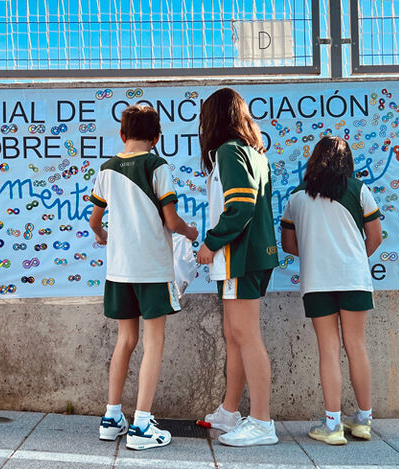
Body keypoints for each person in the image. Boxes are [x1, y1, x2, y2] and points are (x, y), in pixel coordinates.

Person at [89, 104, 198, 450]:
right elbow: (171, 220)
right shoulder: (156, 165)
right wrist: (191, 232)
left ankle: (111, 417)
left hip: (119, 269)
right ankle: (141, 425)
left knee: (125, 340)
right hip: (152, 268)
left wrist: (104, 235)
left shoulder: (106, 169)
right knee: (154, 342)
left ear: (122, 134)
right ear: (157, 137)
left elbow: (95, 220)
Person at [280, 136, 382, 445]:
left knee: (328, 349)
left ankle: (333, 425)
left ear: (314, 161)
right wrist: (350, 257)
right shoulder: (360, 190)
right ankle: (363, 421)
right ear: (346, 161)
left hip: (317, 282)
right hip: (354, 278)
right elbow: (375, 238)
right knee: (356, 345)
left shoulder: (296, 197)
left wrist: (317, 255)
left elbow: (288, 244)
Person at [195, 88, 279, 447]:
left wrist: (210, 242)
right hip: (244, 256)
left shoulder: (229, 152)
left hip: (238, 256)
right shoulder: (252, 153)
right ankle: (230, 412)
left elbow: (241, 207)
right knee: (235, 335)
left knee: (246, 336)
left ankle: (261, 422)